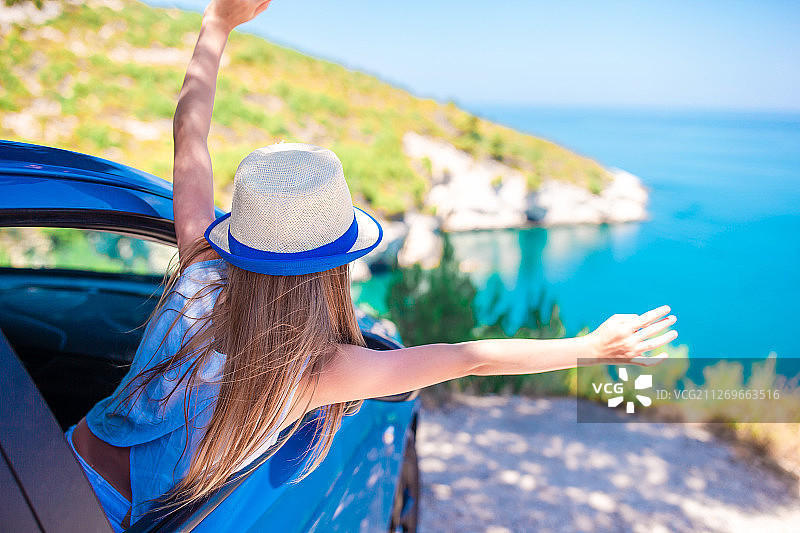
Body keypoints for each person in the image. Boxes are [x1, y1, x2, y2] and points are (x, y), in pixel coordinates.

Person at [66, 0, 678, 530]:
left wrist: (217, 23)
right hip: (107, 515)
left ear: (245, 234)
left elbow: (188, 136)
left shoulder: (201, 261)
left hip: (63, 456)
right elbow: (470, 356)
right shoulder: (319, 373)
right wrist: (591, 347)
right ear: (334, 262)